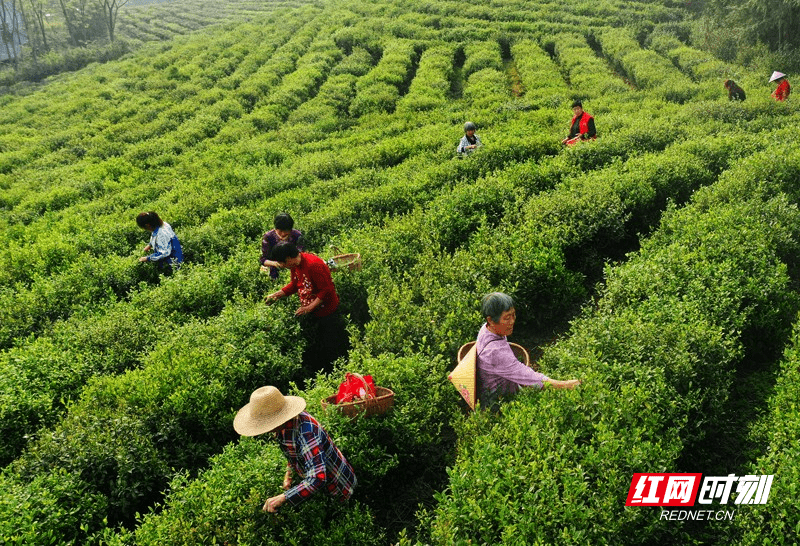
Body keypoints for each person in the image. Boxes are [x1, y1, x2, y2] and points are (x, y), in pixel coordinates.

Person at [233, 385, 357, 513]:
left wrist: (283, 497)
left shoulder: (306, 432)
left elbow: (318, 478)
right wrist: (289, 474)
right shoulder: (283, 426)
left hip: (337, 485)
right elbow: (295, 453)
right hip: (319, 486)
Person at [476, 292, 581, 410]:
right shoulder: (494, 352)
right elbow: (528, 377)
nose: (512, 321)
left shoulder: (486, 328)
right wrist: (565, 385)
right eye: (507, 318)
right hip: (498, 403)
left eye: (513, 315)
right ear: (490, 320)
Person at [265, 243, 348, 371]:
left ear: (288, 258)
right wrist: (278, 294)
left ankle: (339, 372)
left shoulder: (313, 264)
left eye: (282, 263)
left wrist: (309, 307)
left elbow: (326, 290)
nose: (282, 266)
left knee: (333, 346)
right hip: (314, 312)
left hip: (327, 312)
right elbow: (295, 284)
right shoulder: (295, 265)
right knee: (320, 347)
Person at [260, 212, 304, 280]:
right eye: (280, 231)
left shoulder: (297, 235)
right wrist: (276, 264)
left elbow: (300, 255)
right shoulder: (268, 237)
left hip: (294, 265)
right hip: (275, 266)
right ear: (275, 229)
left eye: (286, 231)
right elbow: (263, 259)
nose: (283, 234)